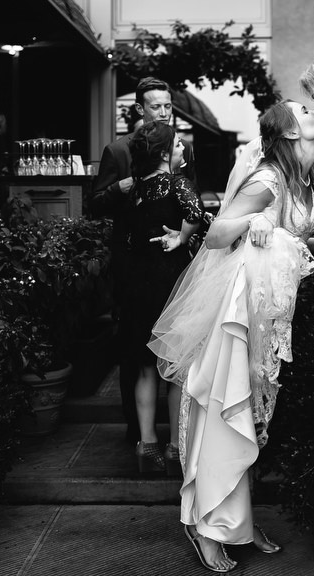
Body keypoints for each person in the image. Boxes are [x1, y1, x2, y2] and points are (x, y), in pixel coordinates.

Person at [148, 101, 314, 572]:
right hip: (240, 313)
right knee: (226, 411)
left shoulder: (299, 178)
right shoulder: (267, 179)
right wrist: (251, 221)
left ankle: (238, 518)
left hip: (269, 311)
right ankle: (204, 524)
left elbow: (285, 231)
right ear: (290, 133)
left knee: (256, 417)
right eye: (303, 109)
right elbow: (217, 234)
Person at [91, 77, 197, 445]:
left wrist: (184, 236)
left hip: (172, 261)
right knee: (135, 348)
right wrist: (117, 190)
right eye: (157, 107)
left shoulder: (180, 150)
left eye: (169, 106)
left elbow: (191, 208)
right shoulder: (117, 151)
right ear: (140, 108)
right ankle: (138, 431)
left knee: (170, 347)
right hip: (132, 258)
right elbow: (94, 205)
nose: (165, 112)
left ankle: (161, 436)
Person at [119, 120, 203, 473]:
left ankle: (147, 444)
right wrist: (182, 238)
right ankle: (174, 448)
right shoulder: (177, 183)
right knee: (174, 367)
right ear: (165, 153)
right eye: (179, 145)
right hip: (170, 284)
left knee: (144, 367)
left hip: (138, 283)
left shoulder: (136, 189)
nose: (183, 149)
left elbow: (126, 235)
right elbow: (196, 215)